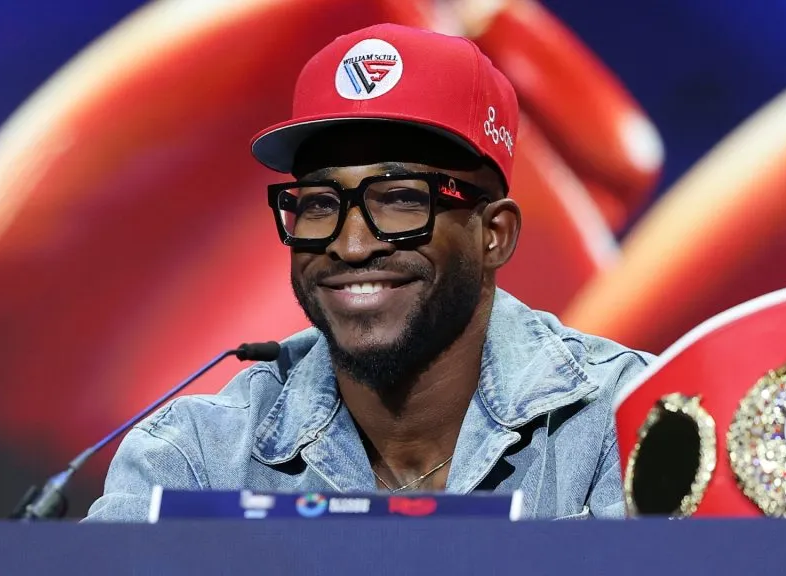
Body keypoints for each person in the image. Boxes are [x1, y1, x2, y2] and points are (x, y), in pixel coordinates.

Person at [85, 23, 653, 522]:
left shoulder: (631, 420)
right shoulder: (195, 458)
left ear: (493, 235)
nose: (351, 245)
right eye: (318, 204)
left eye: (401, 199)